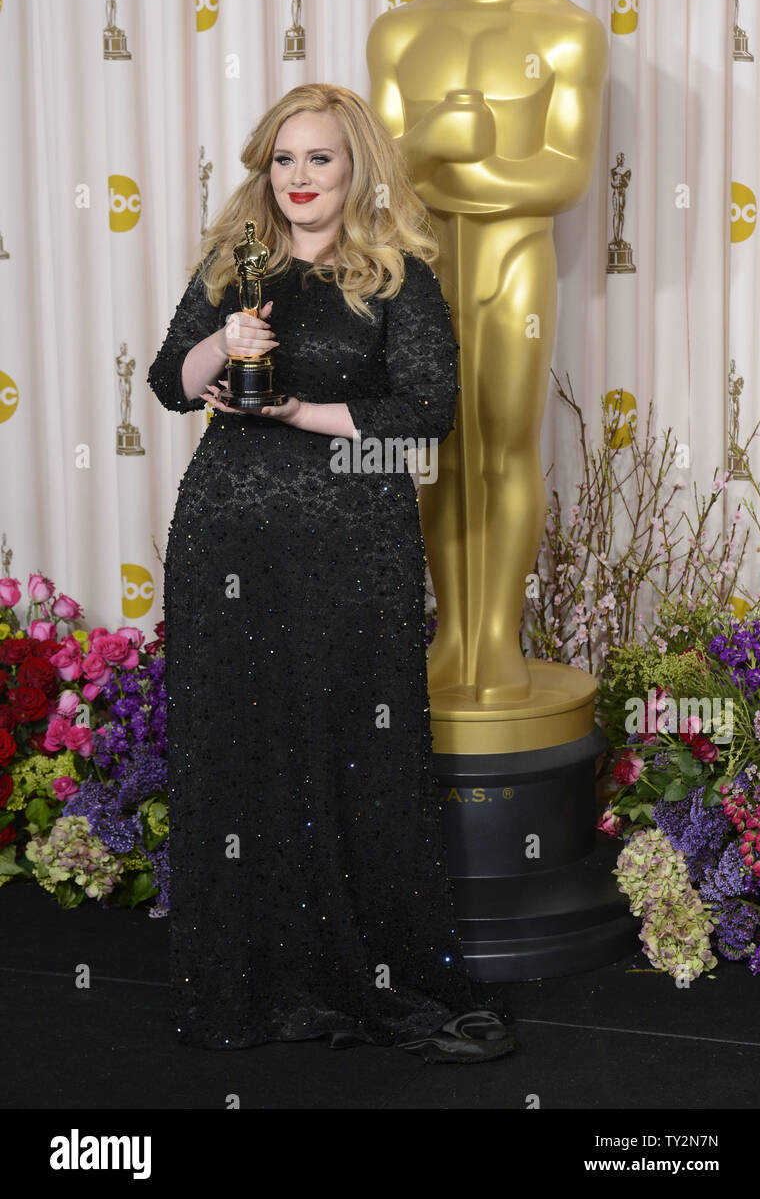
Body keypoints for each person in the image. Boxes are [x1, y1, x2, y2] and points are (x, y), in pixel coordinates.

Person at [147, 82, 516, 1064]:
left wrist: (296, 411)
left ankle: (379, 982)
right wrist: (218, 345)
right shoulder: (238, 263)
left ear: (354, 168)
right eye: (283, 160)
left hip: (354, 539)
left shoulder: (399, 275)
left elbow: (426, 410)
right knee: (242, 754)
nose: (299, 178)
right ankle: (251, 988)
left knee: (358, 751)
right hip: (228, 536)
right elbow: (166, 383)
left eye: (319, 159)